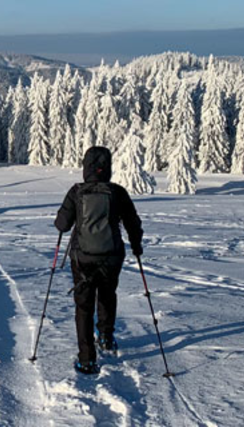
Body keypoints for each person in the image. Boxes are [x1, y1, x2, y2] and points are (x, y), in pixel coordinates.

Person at [54, 146, 143, 375]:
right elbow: (133, 222)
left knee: (83, 306)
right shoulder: (118, 192)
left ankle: (87, 359)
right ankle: (106, 337)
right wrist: (136, 247)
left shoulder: (77, 192)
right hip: (112, 256)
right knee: (107, 295)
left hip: (82, 258)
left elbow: (62, 225)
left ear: (86, 168)